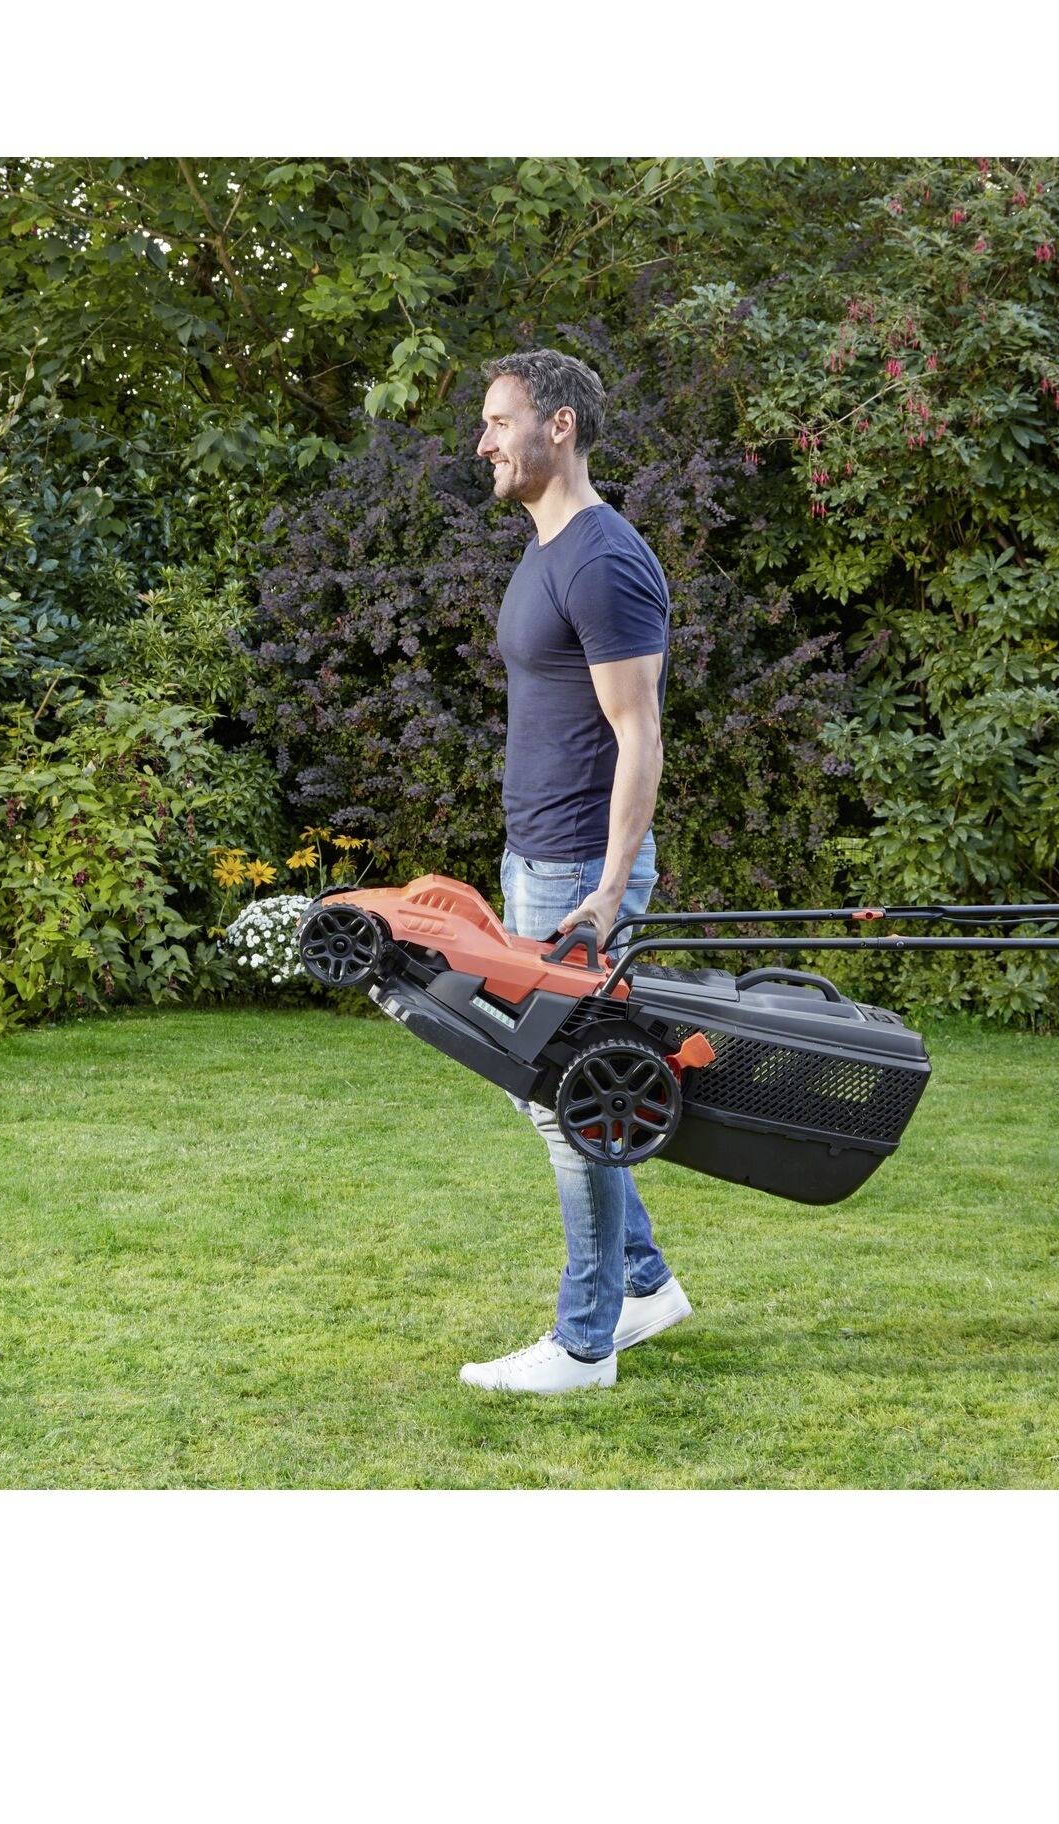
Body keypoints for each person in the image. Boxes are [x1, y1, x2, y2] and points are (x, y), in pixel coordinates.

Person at [457, 347, 693, 1395]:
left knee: (570, 1100)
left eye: (498, 421)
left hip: (575, 877)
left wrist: (606, 888)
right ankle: (642, 1282)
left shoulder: (600, 557)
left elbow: (636, 733)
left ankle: (586, 1342)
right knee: (551, 1092)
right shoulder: (547, 547)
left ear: (557, 426)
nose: (483, 442)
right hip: (534, 861)